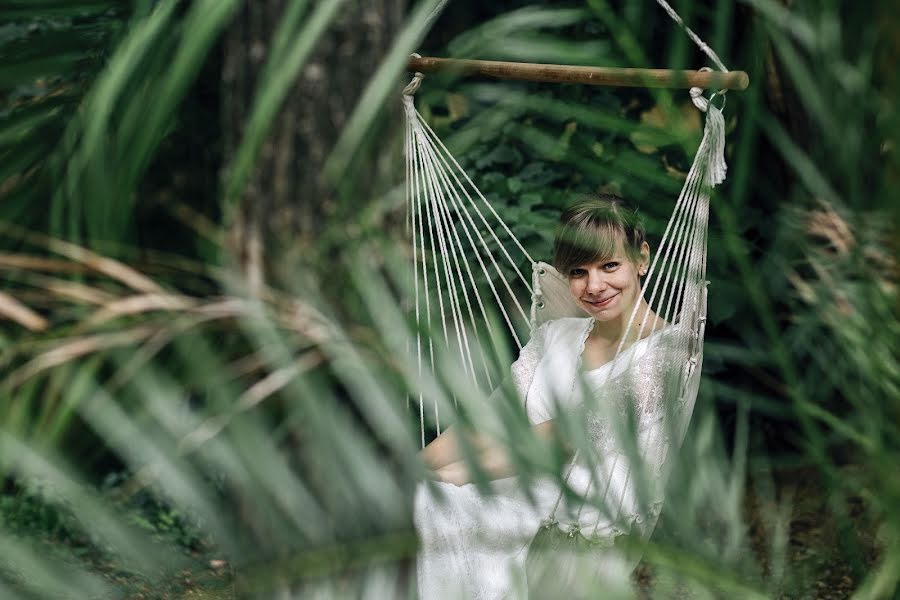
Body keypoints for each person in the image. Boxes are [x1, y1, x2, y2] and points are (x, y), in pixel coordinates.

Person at [414, 193, 691, 599]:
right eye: (578, 271)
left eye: (609, 265)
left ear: (641, 259)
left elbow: (565, 439)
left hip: (577, 517)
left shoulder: (667, 353)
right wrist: (419, 464)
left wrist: (451, 476)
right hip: (516, 488)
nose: (594, 286)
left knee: (434, 496)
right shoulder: (554, 337)